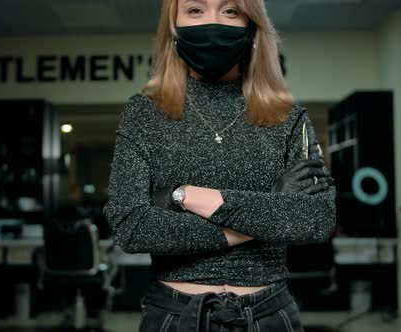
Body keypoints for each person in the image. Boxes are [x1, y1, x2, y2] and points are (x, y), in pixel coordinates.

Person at [103, 0, 336, 330]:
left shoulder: (288, 117)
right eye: (195, 10)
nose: (212, 23)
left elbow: (316, 219)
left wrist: (183, 195)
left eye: (230, 11)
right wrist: (268, 209)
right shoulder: (144, 114)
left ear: (251, 26)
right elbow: (131, 227)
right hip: (174, 316)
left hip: (270, 316)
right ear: (174, 27)